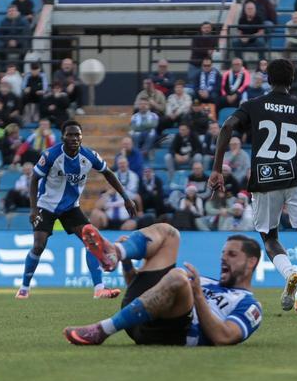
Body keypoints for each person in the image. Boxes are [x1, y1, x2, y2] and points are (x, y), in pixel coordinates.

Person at [209, 58, 297, 316]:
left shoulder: (253, 105)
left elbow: (227, 126)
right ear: (292, 80)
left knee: (269, 236)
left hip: (264, 179)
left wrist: (216, 168)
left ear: (268, 79)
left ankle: (289, 273)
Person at [64, 224, 262, 347]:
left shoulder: (249, 304)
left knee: (178, 276)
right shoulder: (206, 280)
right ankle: (115, 253)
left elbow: (224, 337)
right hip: (143, 321)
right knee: (170, 233)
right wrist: (127, 265)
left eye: (232, 255)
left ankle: (101, 330)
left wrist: (198, 295)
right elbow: (147, 298)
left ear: (251, 262)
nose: (223, 259)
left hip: (176, 333)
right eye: (223, 254)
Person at [16, 121, 137, 300]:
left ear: (81, 137)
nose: (74, 138)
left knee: (92, 240)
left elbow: (109, 173)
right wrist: (33, 209)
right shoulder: (51, 155)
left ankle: (99, 289)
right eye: (70, 135)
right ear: (63, 137)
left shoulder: (89, 156)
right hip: (46, 205)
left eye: (77, 135)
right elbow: (34, 178)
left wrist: (126, 198)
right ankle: (24, 288)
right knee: (39, 245)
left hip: (71, 207)